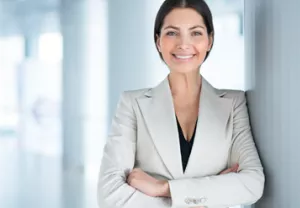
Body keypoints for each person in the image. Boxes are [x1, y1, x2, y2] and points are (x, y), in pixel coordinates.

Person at [97, 0, 265, 207]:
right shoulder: (132, 104)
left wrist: (163, 188)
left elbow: (252, 184)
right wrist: (210, 194)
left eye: (195, 33)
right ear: (158, 41)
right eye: (171, 33)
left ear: (210, 40)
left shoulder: (233, 104)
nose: (183, 44)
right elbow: (109, 194)